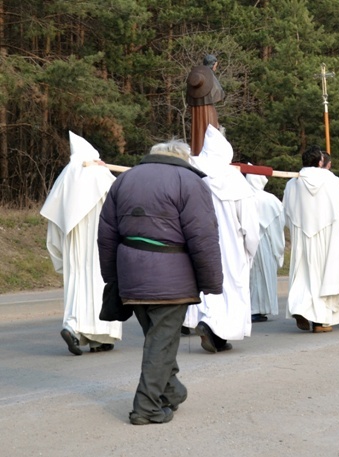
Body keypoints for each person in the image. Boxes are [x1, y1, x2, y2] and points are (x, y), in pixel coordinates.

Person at [97, 139, 223, 425]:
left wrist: (113, 279)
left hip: (131, 273)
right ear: (182, 158)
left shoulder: (124, 179)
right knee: (161, 342)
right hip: (171, 277)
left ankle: (171, 391)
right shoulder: (189, 181)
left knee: (159, 339)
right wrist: (212, 282)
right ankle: (146, 407)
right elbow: (203, 238)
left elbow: (106, 235)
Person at [40, 131, 122, 356]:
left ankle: (74, 327)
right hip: (100, 245)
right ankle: (94, 334)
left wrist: (59, 254)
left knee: (77, 287)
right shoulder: (102, 175)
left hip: (73, 247)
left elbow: (54, 222)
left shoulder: (65, 179)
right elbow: (119, 210)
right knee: (99, 286)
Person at [183, 125, 260, 352]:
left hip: (199, 242)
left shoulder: (192, 177)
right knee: (231, 288)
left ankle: (210, 324)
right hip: (232, 247)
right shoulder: (236, 182)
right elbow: (250, 224)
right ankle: (216, 328)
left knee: (206, 286)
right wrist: (250, 249)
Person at [283, 145, 339, 333]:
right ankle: (321, 321)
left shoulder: (293, 183)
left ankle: (301, 307)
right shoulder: (333, 181)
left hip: (303, 235)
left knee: (304, 275)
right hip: (328, 235)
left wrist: (298, 227)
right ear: (321, 162)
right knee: (325, 275)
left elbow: (287, 211)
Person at [246, 172, 285, 322]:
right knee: (262, 277)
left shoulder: (244, 197)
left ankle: (253, 308)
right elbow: (279, 224)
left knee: (252, 277)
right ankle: (258, 308)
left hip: (248, 241)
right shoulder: (271, 200)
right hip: (266, 243)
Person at [186, 53, 226, 155]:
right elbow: (219, 91)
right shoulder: (207, 77)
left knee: (199, 132)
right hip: (207, 110)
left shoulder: (196, 76)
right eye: (216, 65)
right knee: (208, 131)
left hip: (197, 111)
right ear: (213, 64)